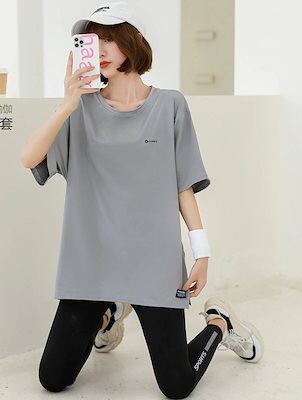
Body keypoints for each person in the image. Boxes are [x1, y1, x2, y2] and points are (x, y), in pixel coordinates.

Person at [21, 1, 264, 398]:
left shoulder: (170, 105)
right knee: (53, 378)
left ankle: (219, 323)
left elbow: (183, 185)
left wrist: (202, 252)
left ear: (132, 41)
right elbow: (29, 159)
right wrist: (66, 103)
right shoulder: (79, 110)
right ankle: (109, 314)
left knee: (177, 385)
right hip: (91, 265)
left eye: (107, 39)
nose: (98, 49)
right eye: (90, 40)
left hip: (153, 265)